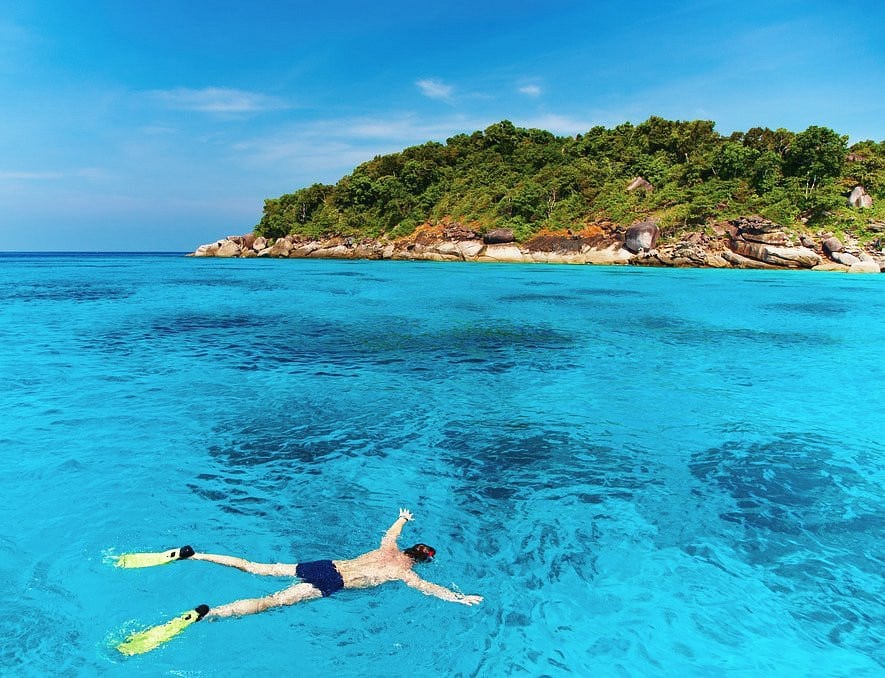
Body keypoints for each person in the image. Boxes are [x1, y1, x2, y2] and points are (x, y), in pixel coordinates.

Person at [169, 508, 483, 620]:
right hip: (331, 583)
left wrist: (401, 518)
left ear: (411, 548)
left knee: (255, 566)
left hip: (324, 565)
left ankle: (196, 555)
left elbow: (391, 533)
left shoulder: (388, 548)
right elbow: (431, 590)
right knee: (270, 602)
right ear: (422, 562)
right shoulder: (403, 572)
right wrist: (459, 597)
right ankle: (213, 614)